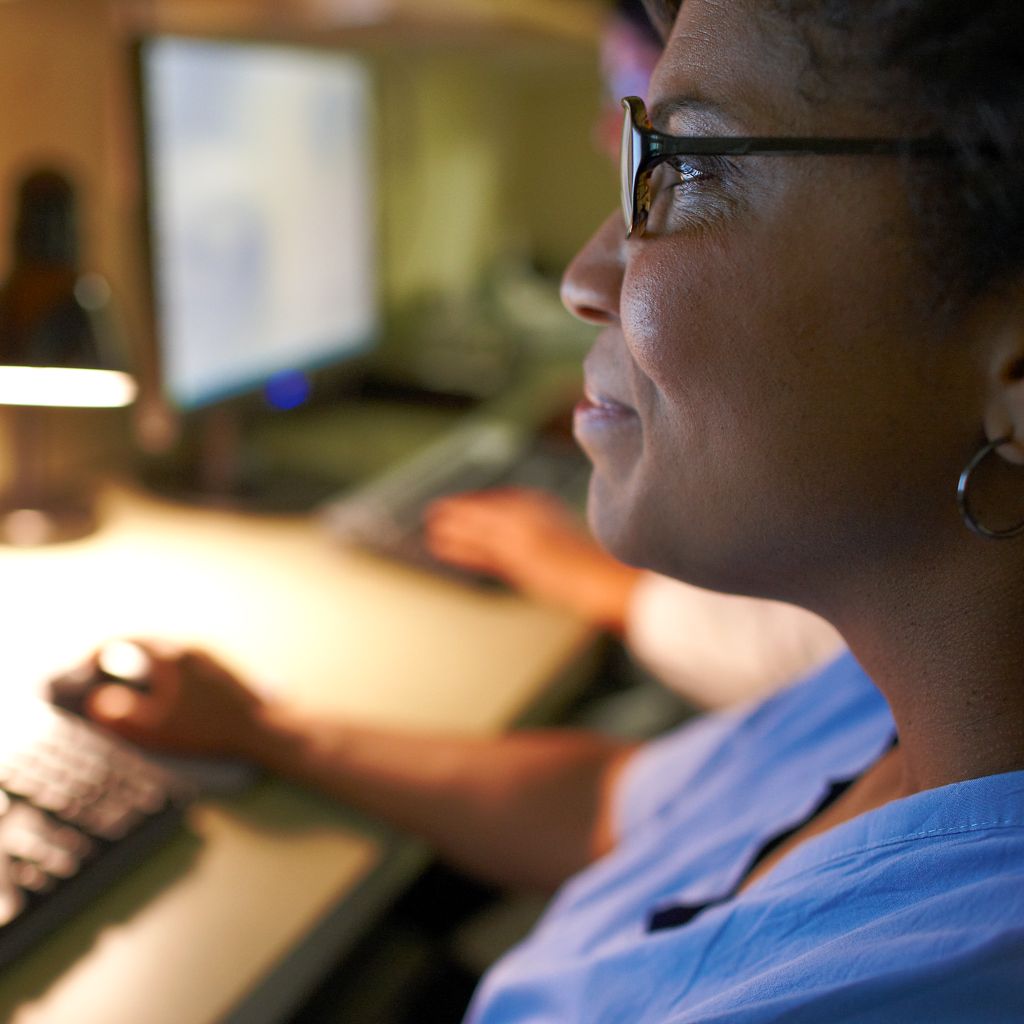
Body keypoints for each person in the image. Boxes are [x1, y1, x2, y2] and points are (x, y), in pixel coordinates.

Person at [78, 0, 1024, 1019]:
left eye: (691, 168)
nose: (583, 277)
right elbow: (618, 808)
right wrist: (274, 733)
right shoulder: (891, 704)